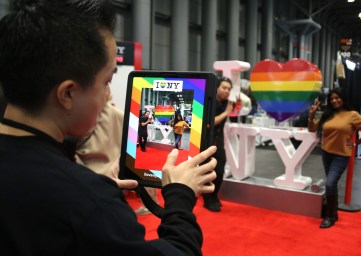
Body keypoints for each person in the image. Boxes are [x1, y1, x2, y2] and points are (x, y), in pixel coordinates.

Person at [0, 1, 218, 255]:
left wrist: (92, 187)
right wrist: (180, 197)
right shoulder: (89, 202)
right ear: (68, 93)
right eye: (106, 81)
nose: (107, 96)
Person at [308, 87, 361, 228]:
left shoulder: (352, 115)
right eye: (332, 99)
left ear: (343, 98)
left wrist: (356, 142)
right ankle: (334, 213)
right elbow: (312, 129)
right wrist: (312, 115)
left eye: (337, 97)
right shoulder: (328, 114)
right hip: (326, 153)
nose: (334, 100)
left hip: (341, 155)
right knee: (332, 185)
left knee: (330, 183)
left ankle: (330, 216)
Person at [203, 76, 241, 212]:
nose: (226, 91)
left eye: (229, 89)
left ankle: (214, 196)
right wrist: (226, 113)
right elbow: (209, 123)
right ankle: (207, 199)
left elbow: (238, 110)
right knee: (207, 172)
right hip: (206, 143)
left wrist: (236, 105)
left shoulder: (227, 103)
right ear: (217, 88)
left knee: (220, 171)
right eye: (224, 88)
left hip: (218, 142)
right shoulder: (209, 101)